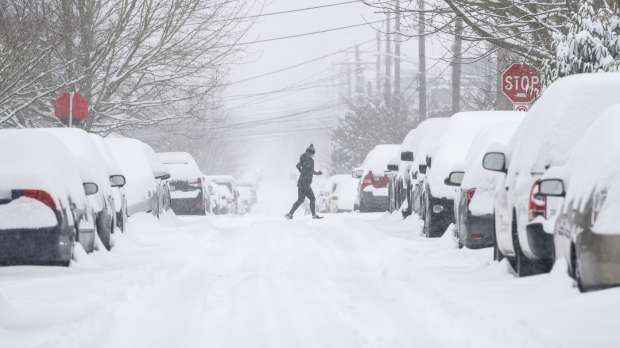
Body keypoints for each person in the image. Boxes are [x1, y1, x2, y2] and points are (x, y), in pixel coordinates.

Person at [285, 144, 323, 219]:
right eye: (312, 154)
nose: (313, 155)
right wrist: (317, 173)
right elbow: (311, 171)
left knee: (300, 200)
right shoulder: (310, 160)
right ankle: (314, 215)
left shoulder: (303, 158)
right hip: (306, 183)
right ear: (310, 153)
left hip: (301, 183)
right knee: (312, 199)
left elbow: (298, 166)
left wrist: (302, 171)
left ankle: (290, 214)